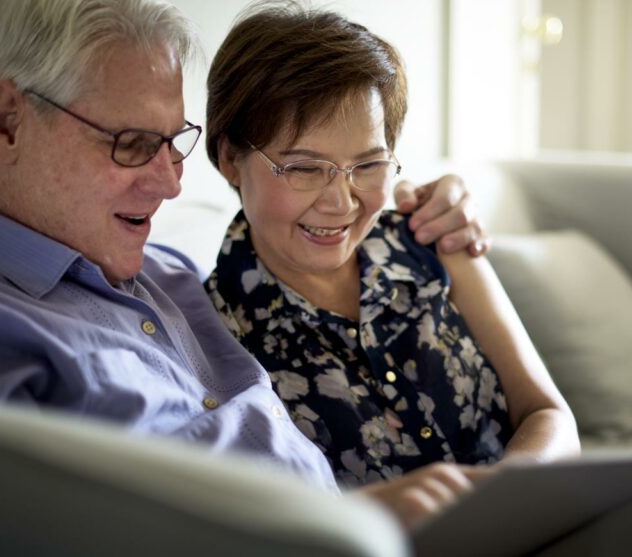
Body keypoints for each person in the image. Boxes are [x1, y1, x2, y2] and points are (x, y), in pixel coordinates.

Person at [0, 0, 497, 529]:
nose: (172, 184)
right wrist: (349, 524)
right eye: (130, 144)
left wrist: (426, 198)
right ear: (8, 123)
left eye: (171, 143)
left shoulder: (162, 271)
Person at [203, 3, 580, 492]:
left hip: (539, 513)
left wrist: (503, 499)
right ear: (230, 158)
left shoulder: (430, 239)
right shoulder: (214, 332)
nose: (342, 202)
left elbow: (547, 412)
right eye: (302, 168)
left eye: (368, 165)